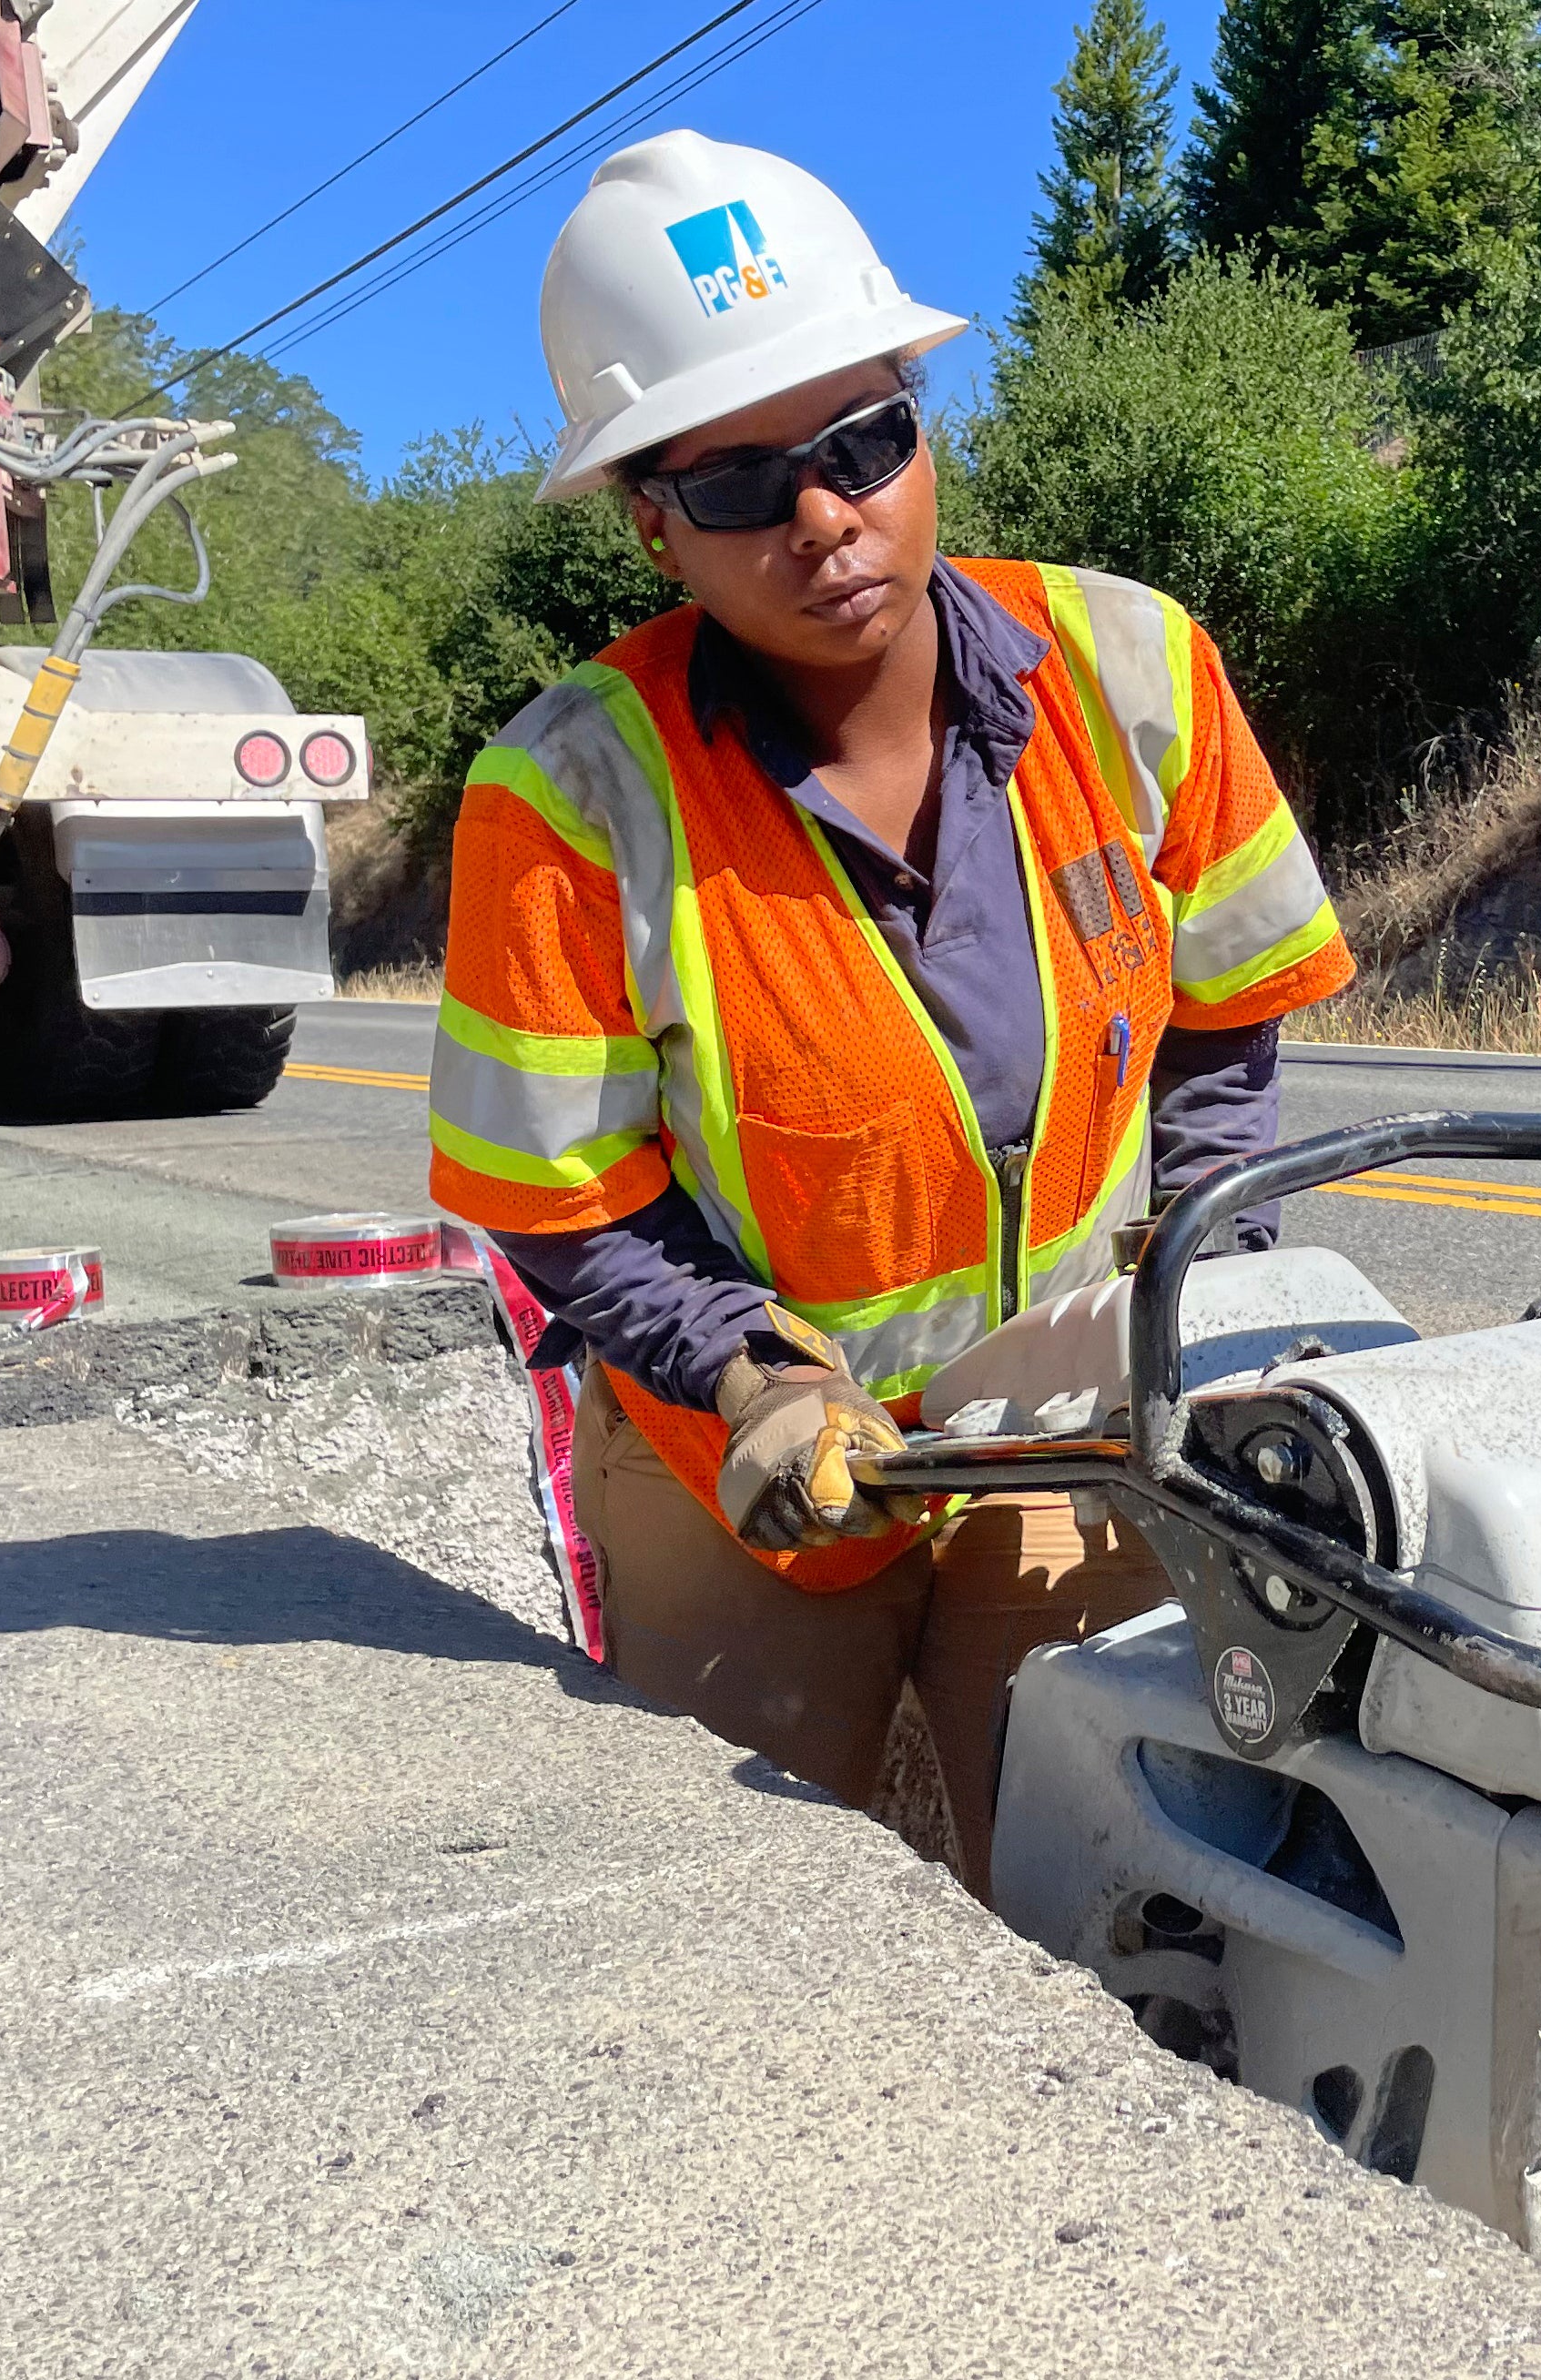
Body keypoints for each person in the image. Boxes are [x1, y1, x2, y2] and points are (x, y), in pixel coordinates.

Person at [426, 131, 1354, 1895]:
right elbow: (554, 1201)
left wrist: (1204, 1275)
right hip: (750, 1479)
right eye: (738, 485)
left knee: (1102, 1902)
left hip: (1065, 1432)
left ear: (923, 422)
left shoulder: (1135, 675)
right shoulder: (566, 798)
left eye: (864, 442)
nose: (824, 516)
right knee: (749, 1928)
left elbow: (1228, 1022)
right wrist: (745, 1371)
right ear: (646, 521)